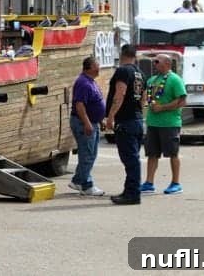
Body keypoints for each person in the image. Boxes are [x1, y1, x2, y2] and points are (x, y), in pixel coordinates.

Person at [104, 44, 146, 205]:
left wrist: (111, 117)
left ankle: (133, 194)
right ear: (135, 56)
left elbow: (119, 94)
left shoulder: (123, 71)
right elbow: (143, 100)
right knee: (132, 159)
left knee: (130, 160)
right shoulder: (141, 74)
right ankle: (129, 190)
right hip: (136, 119)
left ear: (122, 54)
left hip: (126, 121)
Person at [141, 54, 186, 196]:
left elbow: (182, 101)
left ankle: (176, 183)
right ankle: (149, 183)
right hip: (153, 123)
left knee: (173, 153)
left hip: (169, 123)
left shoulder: (175, 80)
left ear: (167, 63)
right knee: (152, 154)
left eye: (157, 61)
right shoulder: (152, 80)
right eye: (153, 61)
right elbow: (148, 99)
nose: (154, 64)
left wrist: (163, 108)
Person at [68, 56, 106, 196]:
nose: (99, 68)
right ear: (89, 68)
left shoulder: (91, 81)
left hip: (92, 122)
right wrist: (87, 123)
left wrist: (100, 120)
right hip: (83, 123)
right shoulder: (83, 83)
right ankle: (85, 184)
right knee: (87, 155)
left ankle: (79, 181)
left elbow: (94, 103)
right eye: (97, 66)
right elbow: (80, 105)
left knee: (90, 154)